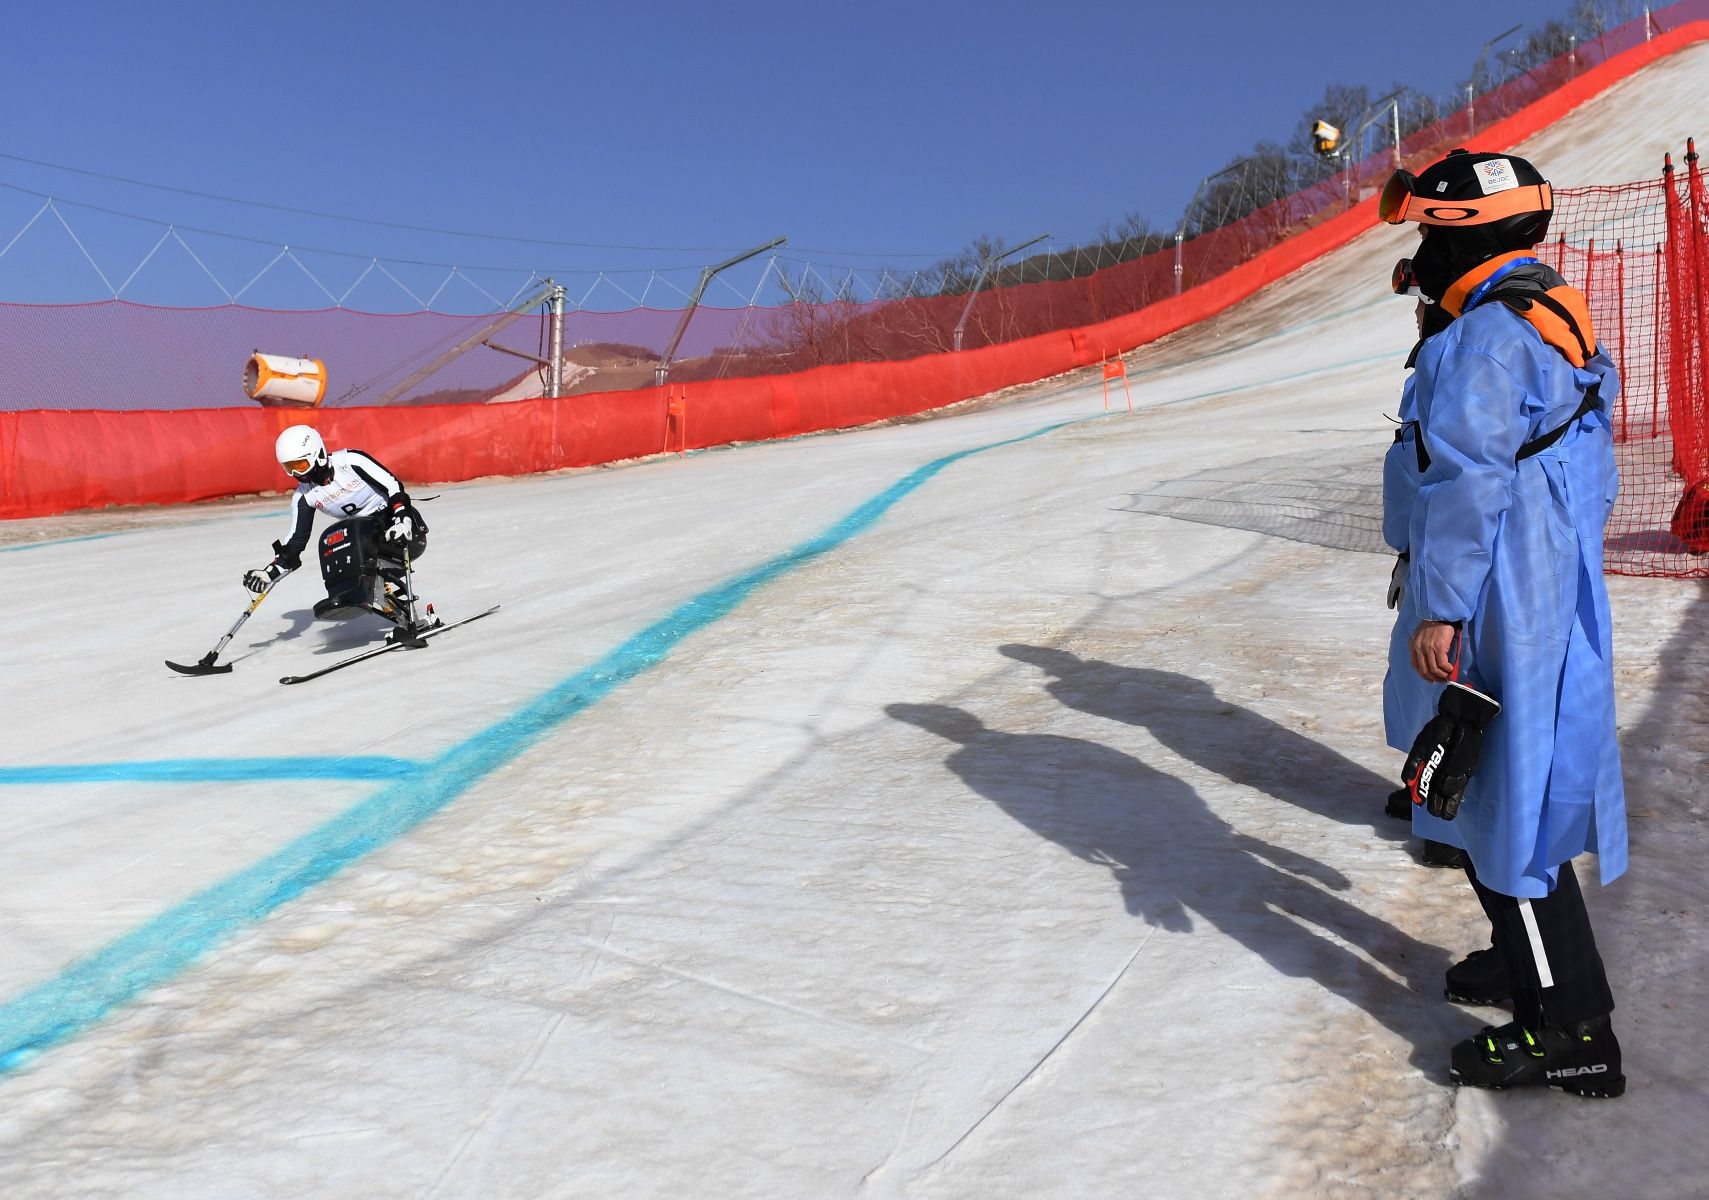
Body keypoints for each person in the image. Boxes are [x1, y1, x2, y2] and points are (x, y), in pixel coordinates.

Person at [1379, 150, 1627, 1098]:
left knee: (1492, 801)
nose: (1419, 256)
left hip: (1488, 598)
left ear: (1467, 235)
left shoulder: (1482, 339)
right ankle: (1522, 959)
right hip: (1524, 584)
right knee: (1486, 789)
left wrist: (1442, 606)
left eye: (1429, 235)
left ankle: (1569, 1026)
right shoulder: (1539, 311)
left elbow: (1468, 481)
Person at [244, 425, 436, 637]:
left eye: (300, 464)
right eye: (290, 468)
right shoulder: (304, 496)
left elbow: (393, 487)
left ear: (317, 455)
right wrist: (268, 573)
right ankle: (352, 596)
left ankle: (367, 595)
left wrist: (403, 520)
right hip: (363, 543)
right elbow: (295, 543)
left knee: (353, 532)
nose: (296, 473)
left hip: (402, 532)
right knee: (332, 539)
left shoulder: (351, 461)